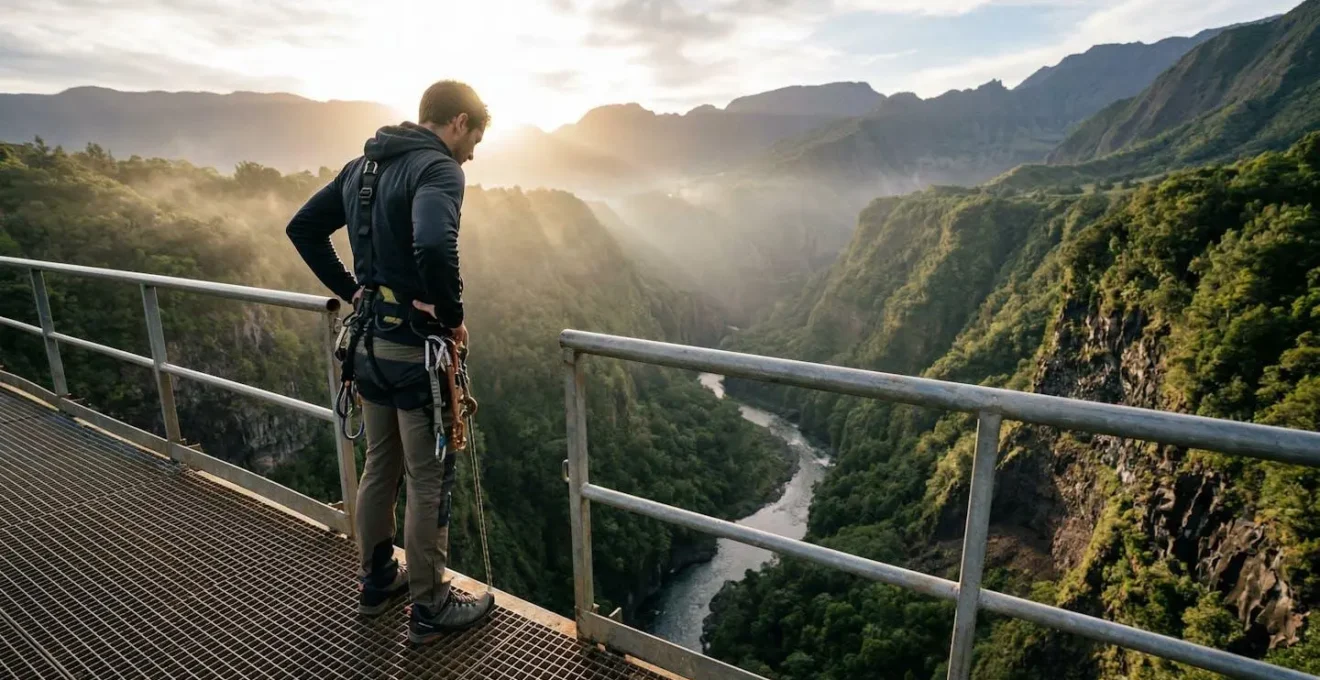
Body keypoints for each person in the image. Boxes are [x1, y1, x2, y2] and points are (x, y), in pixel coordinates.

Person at [285, 79, 493, 642]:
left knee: (380, 464)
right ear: (458, 122)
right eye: (474, 139)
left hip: (367, 346)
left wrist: (353, 291)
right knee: (428, 479)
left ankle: (377, 580)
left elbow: (303, 228)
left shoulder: (361, 167)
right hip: (414, 353)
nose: (472, 154)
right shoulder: (439, 169)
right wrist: (450, 315)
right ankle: (430, 606)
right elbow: (434, 243)